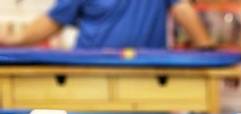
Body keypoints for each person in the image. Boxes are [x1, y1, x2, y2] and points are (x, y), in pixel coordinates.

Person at [0, 0, 212, 49]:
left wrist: (210, 53)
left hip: (147, 74)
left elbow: (182, 8)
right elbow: (55, 19)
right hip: (89, 74)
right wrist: (13, 39)